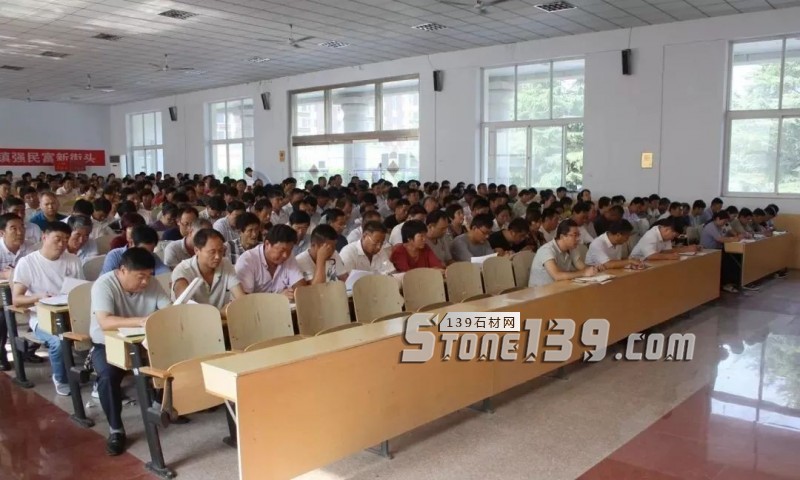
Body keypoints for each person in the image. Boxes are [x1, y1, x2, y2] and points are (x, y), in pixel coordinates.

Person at [89, 247, 171, 455]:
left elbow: (168, 310)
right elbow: (105, 322)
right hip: (107, 344)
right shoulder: (104, 285)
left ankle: (158, 406)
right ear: (122, 270)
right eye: (140, 276)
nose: (145, 282)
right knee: (107, 375)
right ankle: (116, 429)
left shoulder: (152, 284)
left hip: (142, 343)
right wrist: (141, 321)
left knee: (173, 361)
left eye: (149, 276)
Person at [12, 221, 84, 396]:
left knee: (98, 335)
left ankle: (96, 378)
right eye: (57, 239)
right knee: (58, 341)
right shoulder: (28, 262)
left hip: (70, 314)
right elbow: (17, 299)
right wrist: (38, 297)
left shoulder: (73, 260)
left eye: (65, 240)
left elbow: (80, 291)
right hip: (42, 318)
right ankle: (60, 378)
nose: (61, 244)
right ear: (44, 237)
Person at [172, 229, 245, 309]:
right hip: (192, 316)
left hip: (220, 316)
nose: (217, 257)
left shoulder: (225, 263)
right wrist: (220, 312)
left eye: (220, 251)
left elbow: (240, 297)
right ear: (196, 250)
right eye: (212, 252)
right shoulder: (182, 270)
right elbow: (185, 307)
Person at [234, 224, 306, 300]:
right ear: (267, 244)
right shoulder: (247, 260)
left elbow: (300, 286)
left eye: (289, 250)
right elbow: (244, 300)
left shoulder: (288, 256)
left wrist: (294, 292)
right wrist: (277, 298)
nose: (285, 255)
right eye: (282, 250)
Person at [529, 220, 598, 287]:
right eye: (575, 235)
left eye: (578, 235)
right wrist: (583, 273)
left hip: (559, 288)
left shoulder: (572, 248)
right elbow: (557, 276)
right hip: (541, 291)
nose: (578, 239)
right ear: (562, 237)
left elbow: (581, 267)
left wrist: (593, 269)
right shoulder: (547, 250)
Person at [101, 226, 170, 275]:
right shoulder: (114, 256)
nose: (145, 255)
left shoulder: (151, 256)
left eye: (150, 251)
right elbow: (105, 281)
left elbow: (164, 273)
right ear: (131, 243)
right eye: (142, 251)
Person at [629, 217, 699, 261]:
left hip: (651, 263)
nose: (674, 238)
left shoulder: (665, 236)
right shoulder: (651, 235)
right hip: (636, 263)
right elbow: (650, 256)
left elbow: (666, 251)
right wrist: (669, 256)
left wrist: (686, 249)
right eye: (674, 235)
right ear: (667, 230)